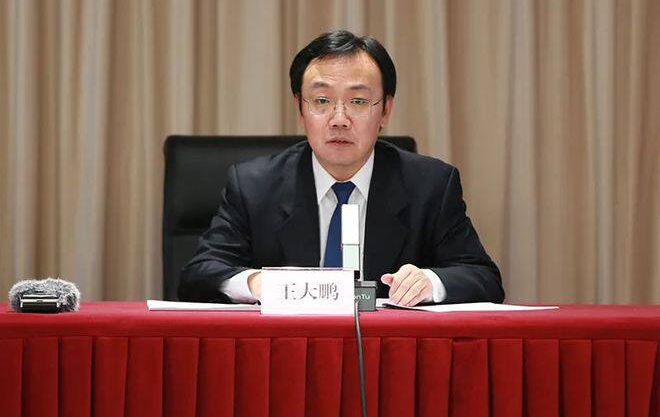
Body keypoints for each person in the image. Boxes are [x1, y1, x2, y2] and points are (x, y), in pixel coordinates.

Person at [178, 30, 504, 306]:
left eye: (358, 102)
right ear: (300, 108)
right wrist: (255, 283)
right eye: (321, 101)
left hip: (384, 354)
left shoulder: (430, 185)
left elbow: (483, 278)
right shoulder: (254, 185)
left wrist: (430, 282)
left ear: (386, 110)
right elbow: (198, 275)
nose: (339, 119)